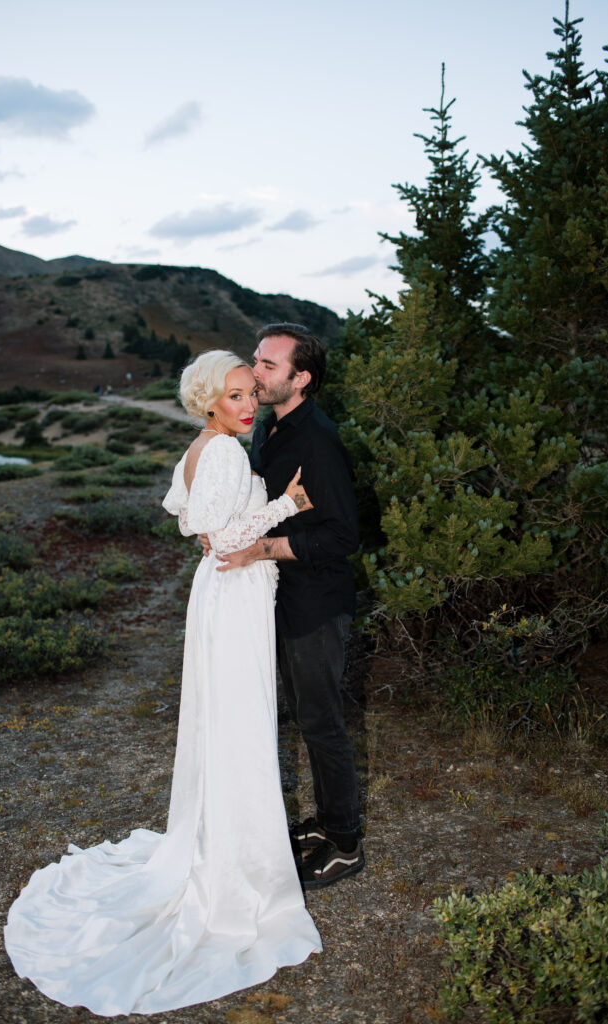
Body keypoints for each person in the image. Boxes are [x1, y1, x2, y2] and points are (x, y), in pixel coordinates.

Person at [3, 350, 321, 1016]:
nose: (247, 404)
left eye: (249, 393)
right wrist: (285, 504)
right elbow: (215, 535)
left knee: (227, 721)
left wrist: (235, 524)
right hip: (233, 593)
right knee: (238, 721)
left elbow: (181, 510)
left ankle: (227, 843)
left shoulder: (202, 446)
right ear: (209, 399)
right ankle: (238, 870)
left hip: (219, 595)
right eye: (233, 395)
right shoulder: (229, 453)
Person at [214, 324, 363, 890]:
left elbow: (343, 535)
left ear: (301, 378)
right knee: (303, 715)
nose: (255, 372)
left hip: (317, 604)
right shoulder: (269, 426)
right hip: (281, 597)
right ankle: (325, 823)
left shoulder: (317, 440)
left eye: (269, 366)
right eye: (256, 360)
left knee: (322, 723)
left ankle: (345, 843)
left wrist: (264, 548)